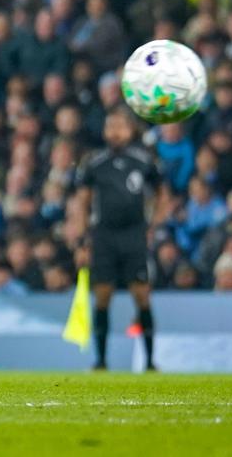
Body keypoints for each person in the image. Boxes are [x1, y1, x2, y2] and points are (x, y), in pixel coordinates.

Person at [76, 109, 162, 371]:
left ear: (130, 130)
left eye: (120, 126)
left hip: (134, 234)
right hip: (104, 235)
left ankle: (149, 361)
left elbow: (162, 194)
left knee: (141, 294)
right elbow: (83, 202)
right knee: (102, 296)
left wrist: (153, 226)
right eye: (110, 125)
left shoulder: (144, 161)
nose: (114, 131)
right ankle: (101, 360)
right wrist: (82, 239)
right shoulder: (94, 163)